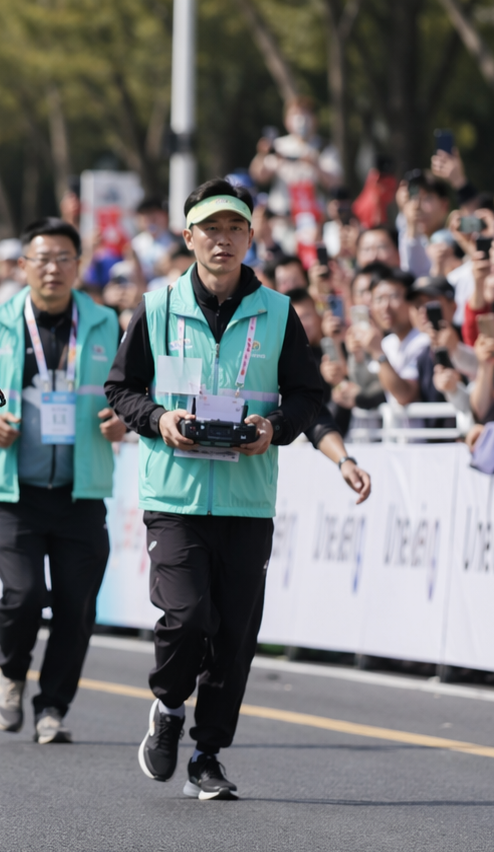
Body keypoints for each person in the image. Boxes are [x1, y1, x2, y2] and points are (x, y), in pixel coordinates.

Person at [104, 178, 331, 800]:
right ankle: (169, 705)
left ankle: (207, 755)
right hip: (174, 495)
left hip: (246, 496)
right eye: (210, 229)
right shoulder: (155, 308)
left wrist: (273, 427)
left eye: (234, 229)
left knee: (234, 637)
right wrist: (161, 420)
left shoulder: (280, 314)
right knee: (187, 615)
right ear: (189, 237)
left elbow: (309, 397)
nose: (222, 240)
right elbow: (121, 389)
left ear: (251, 237)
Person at [0, 217, 125, 745]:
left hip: (83, 492)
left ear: (78, 266)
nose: (53, 268)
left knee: (78, 605)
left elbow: (134, 391)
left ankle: (53, 706)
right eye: (43, 258)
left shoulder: (108, 324)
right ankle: (11, 675)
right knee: (24, 593)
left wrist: (125, 417)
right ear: (23, 267)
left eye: (64, 258)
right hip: (16, 492)